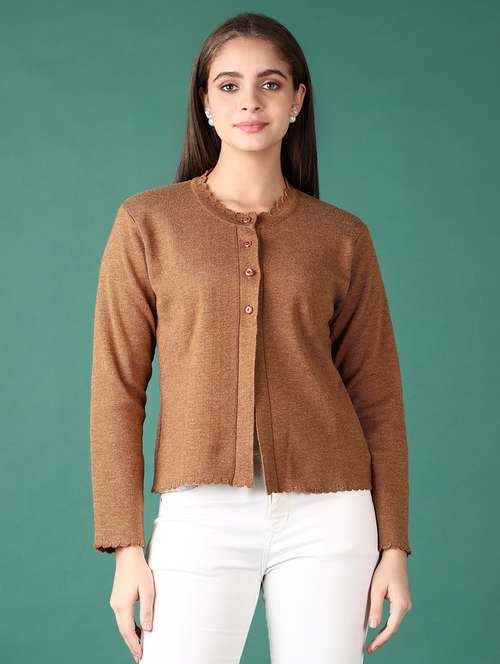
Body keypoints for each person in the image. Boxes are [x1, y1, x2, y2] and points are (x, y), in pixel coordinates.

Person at [89, 12, 413, 664]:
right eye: (229, 85)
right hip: (199, 511)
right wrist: (126, 546)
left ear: (297, 100)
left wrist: (394, 548)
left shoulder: (342, 236)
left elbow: (378, 398)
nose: (250, 102)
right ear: (205, 103)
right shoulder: (148, 223)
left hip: (333, 515)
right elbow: (117, 391)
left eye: (270, 84)